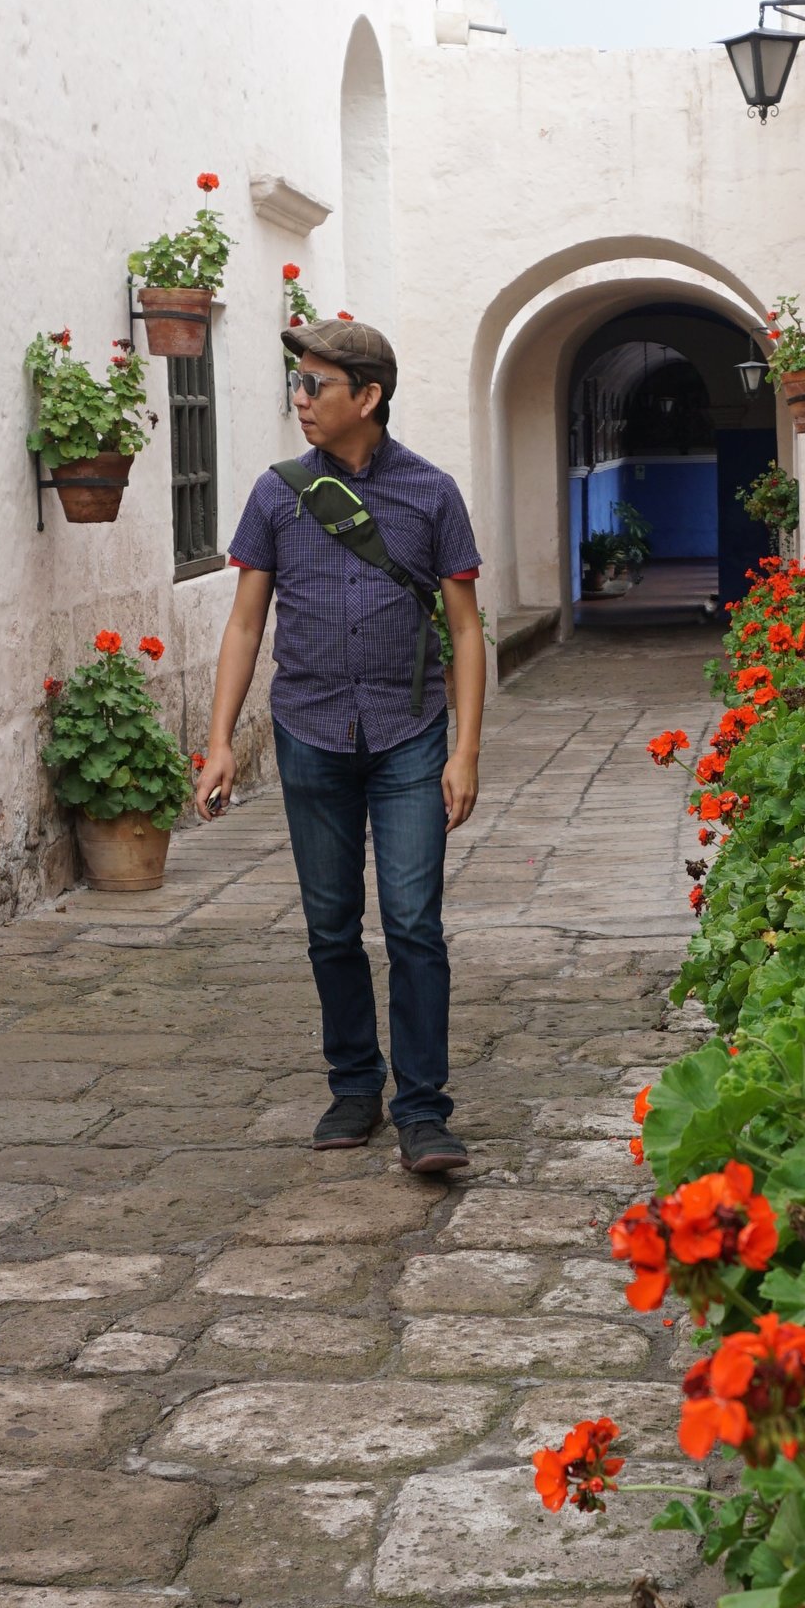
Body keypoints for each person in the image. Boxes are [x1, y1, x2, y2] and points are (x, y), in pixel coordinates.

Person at [193, 315, 485, 1176]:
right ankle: (354, 1087)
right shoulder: (276, 493)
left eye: (316, 386)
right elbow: (247, 623)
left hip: (410, 738)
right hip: (310, 732)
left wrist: (465, 749)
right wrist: (219, 742)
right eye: (299, 384)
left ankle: (423, 1110)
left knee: (413, 924)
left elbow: (465, 631)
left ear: (369, 396)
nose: (301, 401)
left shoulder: (432, 494)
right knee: (329, 925)